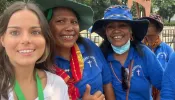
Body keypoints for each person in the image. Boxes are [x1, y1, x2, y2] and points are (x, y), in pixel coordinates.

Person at [36, 0, 115, 100]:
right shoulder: (39, 61)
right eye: (60, 21)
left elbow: (107, 82)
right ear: (47, 26)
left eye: (74, 22)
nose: (70, 28)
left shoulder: (89, 46)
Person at [91, 5, 164, 100]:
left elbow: (165, 85)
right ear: (106, 32)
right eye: (111, 27)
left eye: (122, 25)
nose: (116, 30)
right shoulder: (100, 57)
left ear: (131, 31)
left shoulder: (144, 53)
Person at [0, 1, 69, 100]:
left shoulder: (57, 85)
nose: (26, 40)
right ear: (2, 40)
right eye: (15, 32)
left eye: (35, 32)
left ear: (45, 39)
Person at [141, 14, 173, 100]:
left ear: (158, 29)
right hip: (144, 90)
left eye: (149, 25)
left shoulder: (167, 50)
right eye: (145, 25)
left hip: (162, 91)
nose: (146, 27)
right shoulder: (139, 48)